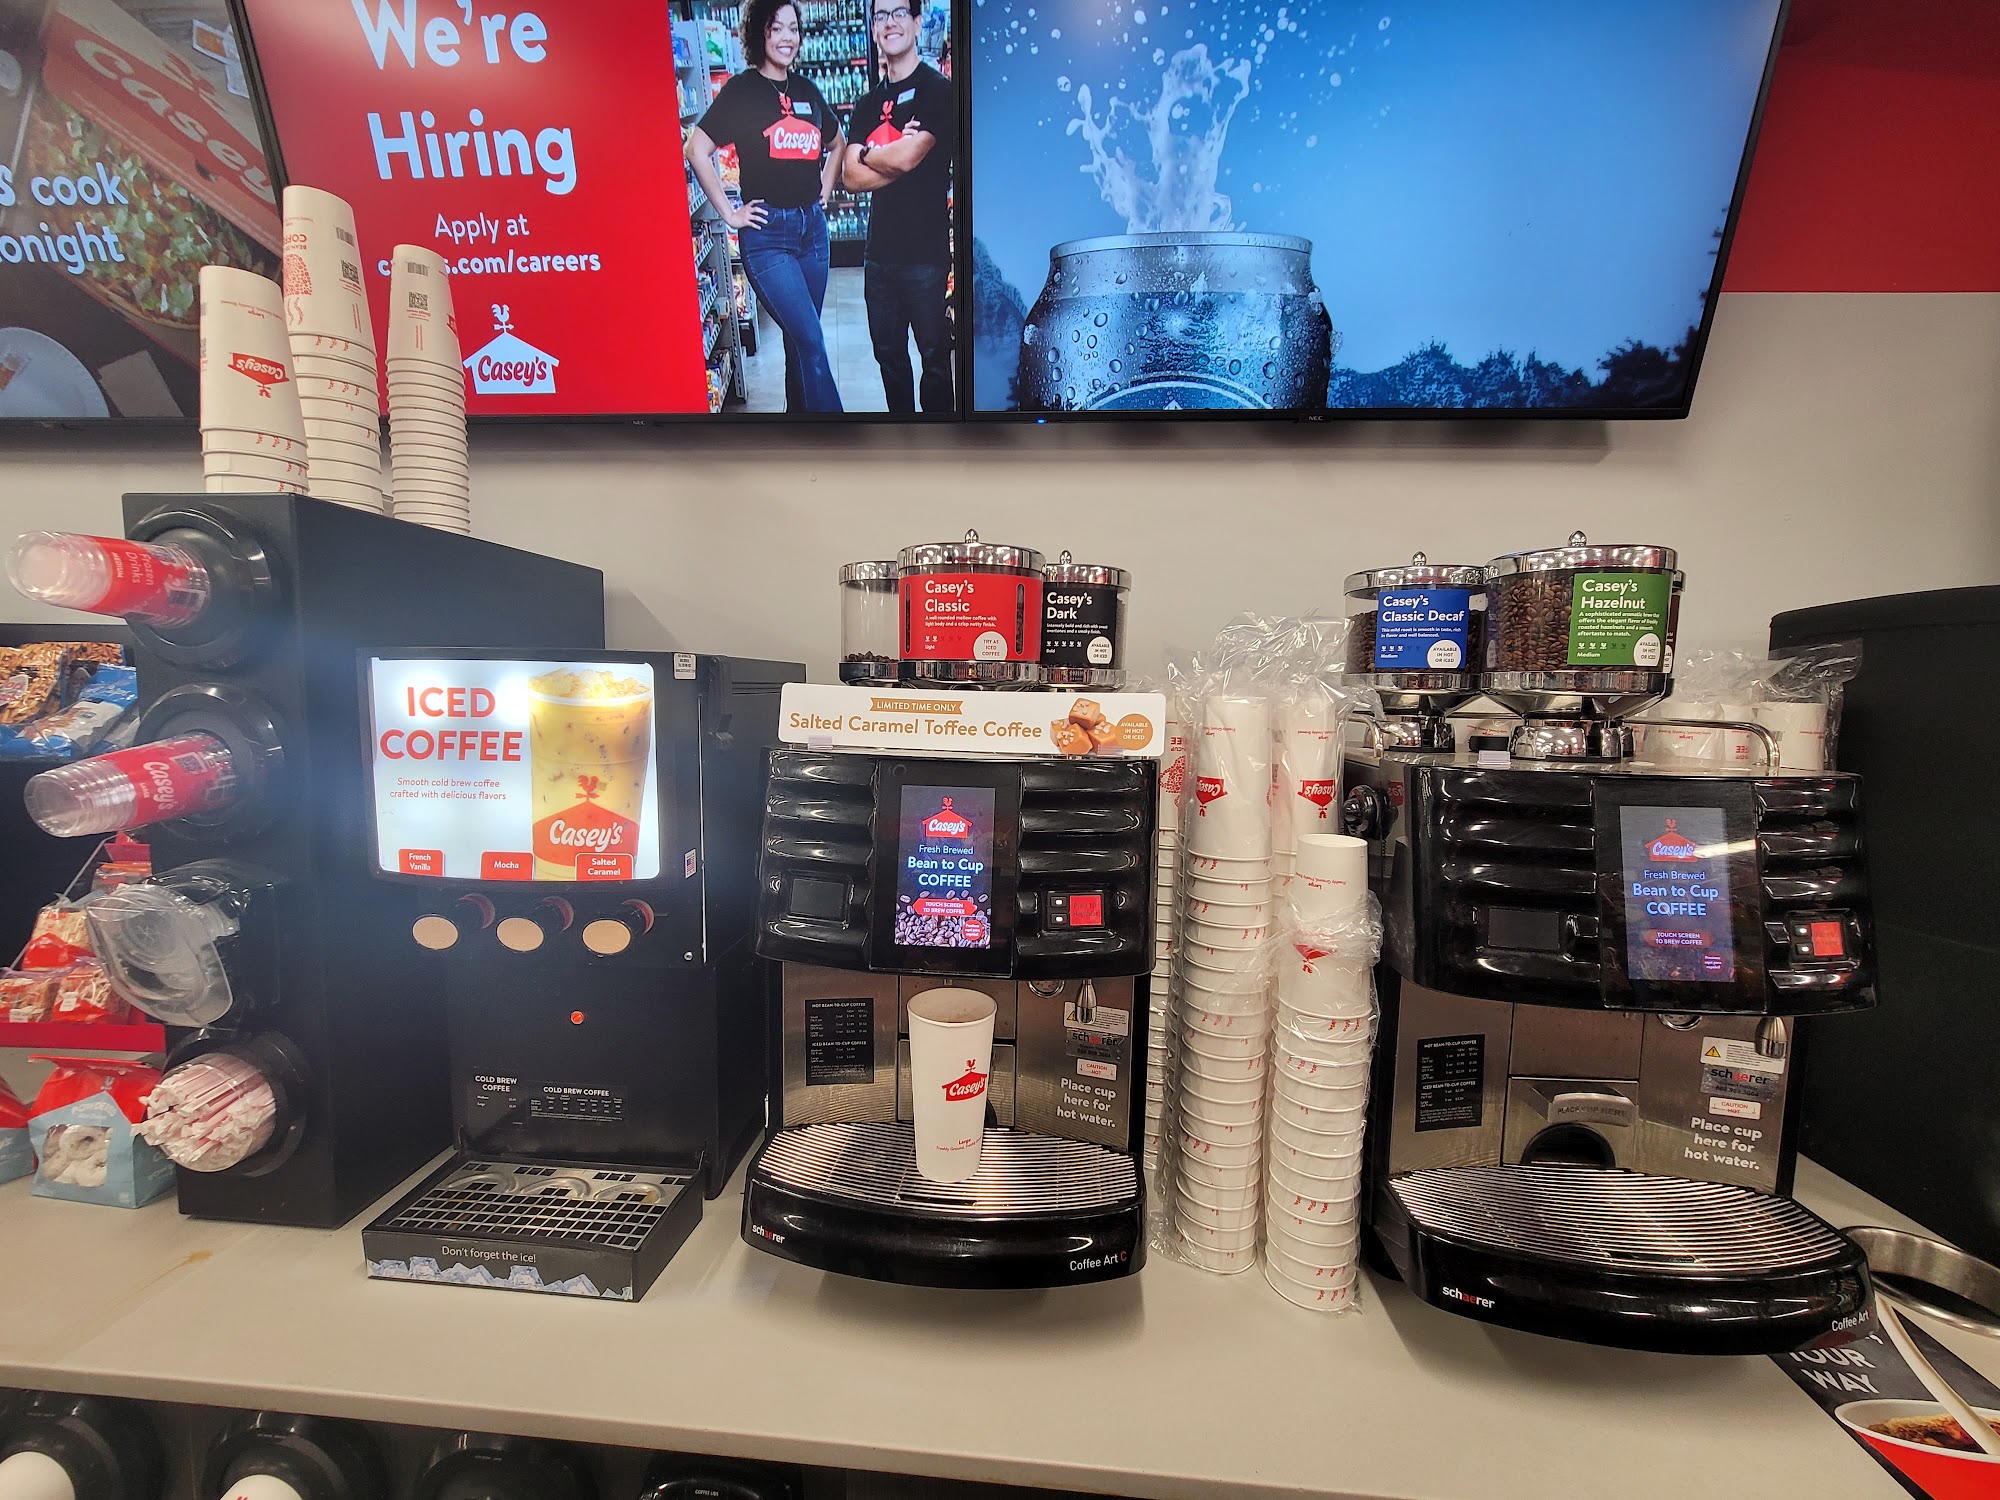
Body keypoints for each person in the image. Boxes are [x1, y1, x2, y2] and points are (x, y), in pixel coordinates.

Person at [687, 0, 845, 413]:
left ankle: (800, 428)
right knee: (812, 340)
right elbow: (696, 148)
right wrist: (729, 213)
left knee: (799, 342)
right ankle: (841, 439)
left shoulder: (807, 90)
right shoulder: (742, 91)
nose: (787, 38)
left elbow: (838, 142)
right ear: (759, 34)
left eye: (793, 28)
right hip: (768, 237)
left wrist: (826, 186)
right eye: (776, 28)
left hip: (813, 234)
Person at [841, 0, 956, 414]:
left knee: (935, 361)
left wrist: (868, 152)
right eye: (881, 16)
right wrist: (890, 152)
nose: (889, 23)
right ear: (873, 29)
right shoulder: (866, 105)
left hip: (926, 257)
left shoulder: (938, 91)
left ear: (917, 23)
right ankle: (904, 440)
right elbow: (849, 177)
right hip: (879, 258)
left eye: (899, 13)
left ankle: (941, 444)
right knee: (889, 358)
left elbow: (909, 158)